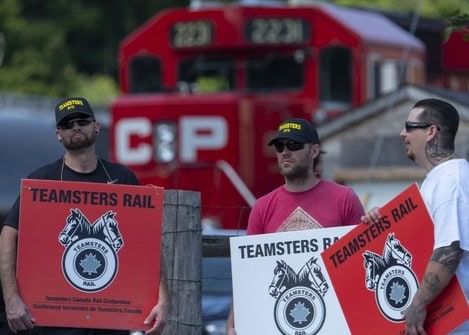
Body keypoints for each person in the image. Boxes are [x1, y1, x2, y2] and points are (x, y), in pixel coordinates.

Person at [0, 97, 169, 335]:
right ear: (59, 134)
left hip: (110, 323)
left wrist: (162, 300)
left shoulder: (123, 178)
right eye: (68, 124)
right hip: (54, 324)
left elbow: (148, 246)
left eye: (82, 121)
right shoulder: (41, 180)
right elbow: (8, 234)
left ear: (96, 126)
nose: (76, 127)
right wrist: (11, 299)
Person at [226, 117, 365, 333]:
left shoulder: (344, 199)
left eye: (294, 145)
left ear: (314, 150)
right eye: (280, 147)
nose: (285, 152)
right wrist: (234, 322)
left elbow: (360, 264)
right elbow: (249, 276)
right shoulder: (262, 207)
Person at [361, 98, 468, 335]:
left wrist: (418, 304)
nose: (402, 133)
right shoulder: (440, 180)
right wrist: (380, 225)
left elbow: (449, 250)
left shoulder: (452, 180)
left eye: (409, 127)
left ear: (431, 132)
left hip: (457, 327)